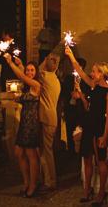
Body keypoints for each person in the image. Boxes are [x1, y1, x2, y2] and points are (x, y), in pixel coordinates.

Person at [65, 46, 108, 207]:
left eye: (94, 71)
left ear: (102, 74)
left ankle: (101, 193)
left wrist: (105, 136)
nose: (92, 74)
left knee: (101, 161)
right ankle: (87, 191)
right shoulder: (93, 86)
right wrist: (71, 56)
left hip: (99, 128)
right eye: (92, 71)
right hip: (88, 126)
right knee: (87, 159)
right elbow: (80, 71)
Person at [4, 54, 41, 198]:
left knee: (31, 155)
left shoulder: (36, 85)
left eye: (32, 70)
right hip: (24, 123)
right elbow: (23, 82)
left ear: (36, 72)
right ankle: (26, 182)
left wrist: (10, 63)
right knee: (19, 153)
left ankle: (33, 185)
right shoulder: (27, 87)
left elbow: (22, 77)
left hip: (31, 124)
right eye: (28, 70)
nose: (30, 73)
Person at [39, 52, 61, 191]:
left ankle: (51, 181)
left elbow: (38, 69)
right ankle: (47, 178)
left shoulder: (46, 76)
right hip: (51, 117)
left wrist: (47, 58)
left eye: (48, 60)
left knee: (47, 151)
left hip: (47, 118)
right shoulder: (55, 79)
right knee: (46, 150)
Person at [62, 57, 90, 155]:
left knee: (81, 131)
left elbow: (87, 92)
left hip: (81, 109)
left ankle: (81, 152)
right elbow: (64, 91)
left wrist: (81, 94)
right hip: (70, 108)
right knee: (69, 130)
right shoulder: (69, 78)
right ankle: (71, 152)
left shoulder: (86, 79)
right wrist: (71, 92)